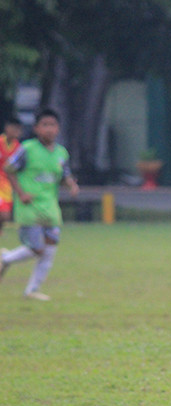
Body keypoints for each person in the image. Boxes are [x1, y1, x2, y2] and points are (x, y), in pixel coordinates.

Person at [0, 108, 79, 301]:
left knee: (50, 249)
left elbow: (63, 175)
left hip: (50, 208)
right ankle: (5, 259)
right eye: (45, 125)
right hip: (30, 207)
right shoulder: (27, 149)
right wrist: (20, 193)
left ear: (58, 128)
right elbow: (9, 169)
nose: (49, 129)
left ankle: (32, 289)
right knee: (37, 249)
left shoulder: (61, 153)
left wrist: (71, 184)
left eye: (52, 125)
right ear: (36, 128)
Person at [0, 118, 23, 235]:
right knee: (4, 214)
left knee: (5, 216)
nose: (15, 131)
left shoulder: (19, 148)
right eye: (13, 128)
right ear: (6, 128)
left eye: (17, 129)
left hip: (8, 185)